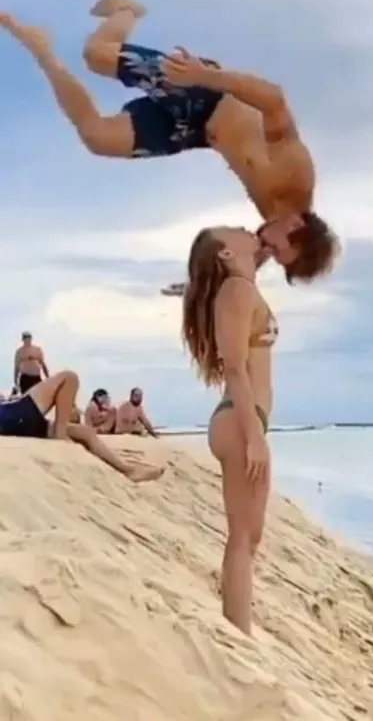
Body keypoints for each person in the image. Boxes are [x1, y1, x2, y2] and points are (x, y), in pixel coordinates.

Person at [0, 0, 339, 283]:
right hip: (206, 95)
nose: (270, 250)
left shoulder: (275, 224)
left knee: (98, 137)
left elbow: (245, 270)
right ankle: (126, 10)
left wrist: (198, 288)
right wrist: (205, 75)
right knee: (97, 54)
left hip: (196, 132)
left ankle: (39, 47)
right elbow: (274, 100)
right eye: (279, 250)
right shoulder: (295, 175)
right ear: (296, 226)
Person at [182, 225, 276, 635]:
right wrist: (254, 435)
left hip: (242, 418)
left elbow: (261, 253)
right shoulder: (237, 290)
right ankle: (238, 636)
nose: (244, 227)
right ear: (224, 255)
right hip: (241, 420)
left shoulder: (240, 285)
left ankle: (238, 629)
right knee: (242, 537)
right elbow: (235, 367)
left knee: (248, 536)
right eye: (233, 231)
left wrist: (273, 237)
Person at [0, 370, 164, 483]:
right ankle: (61, 433)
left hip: (16, 419)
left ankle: (127, 469)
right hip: (15, 415)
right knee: (70, 377)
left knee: (86, 433)